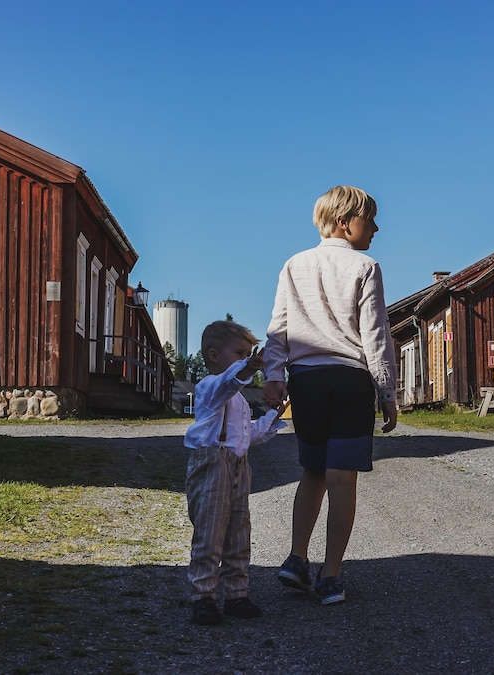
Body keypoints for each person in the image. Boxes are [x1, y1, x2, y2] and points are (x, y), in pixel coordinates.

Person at [262, 185, 398, 606]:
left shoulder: (294, 264)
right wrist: (387, 391)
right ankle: (331, 574)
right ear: (345, 222)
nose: (375, 227)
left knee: (313, 472)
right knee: (343, 478)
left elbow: (278, 325)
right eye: (369, 219)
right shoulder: (366, 266)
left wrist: (273, 374)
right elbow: (374, 335)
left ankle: (296, 558)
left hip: (306, 380)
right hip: (350, 381)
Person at [184, 320, 287, 626]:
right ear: (214, 355)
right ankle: (202, 597)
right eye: (240, 352)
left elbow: (248, 435)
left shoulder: (239, 400)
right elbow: (229, 382)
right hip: (212, 462)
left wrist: (272, 416)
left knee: (239, 532)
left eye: (249, 353)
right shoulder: (209, 388)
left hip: (239, 464)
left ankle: (236, 594)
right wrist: (248, 368)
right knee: (210, 533)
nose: (247, 357)